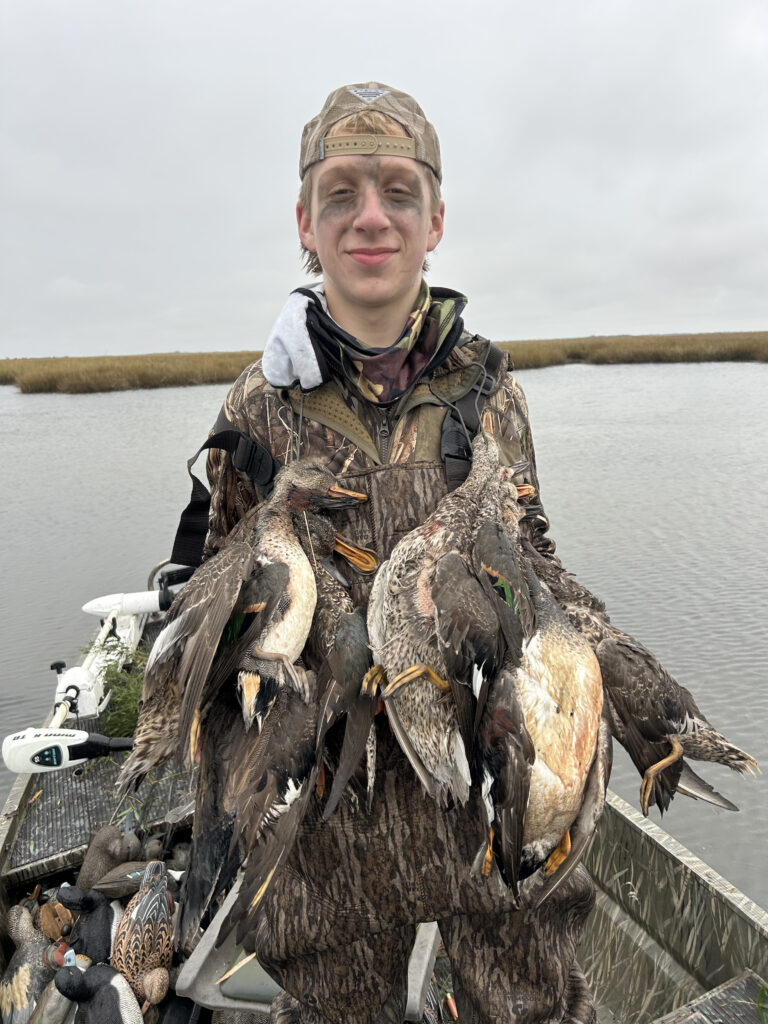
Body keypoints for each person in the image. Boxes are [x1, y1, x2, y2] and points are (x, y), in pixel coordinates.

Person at [200, 82, 597, 1024]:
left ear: (436, 221)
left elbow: (536, 566)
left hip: (487, 805)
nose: (370, 216)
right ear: (305, 222)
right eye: (340, 192)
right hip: (328, 833)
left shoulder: (492, 396)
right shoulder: (256, 411)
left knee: (534, 1005)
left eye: (398, 192)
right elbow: (216, 609)